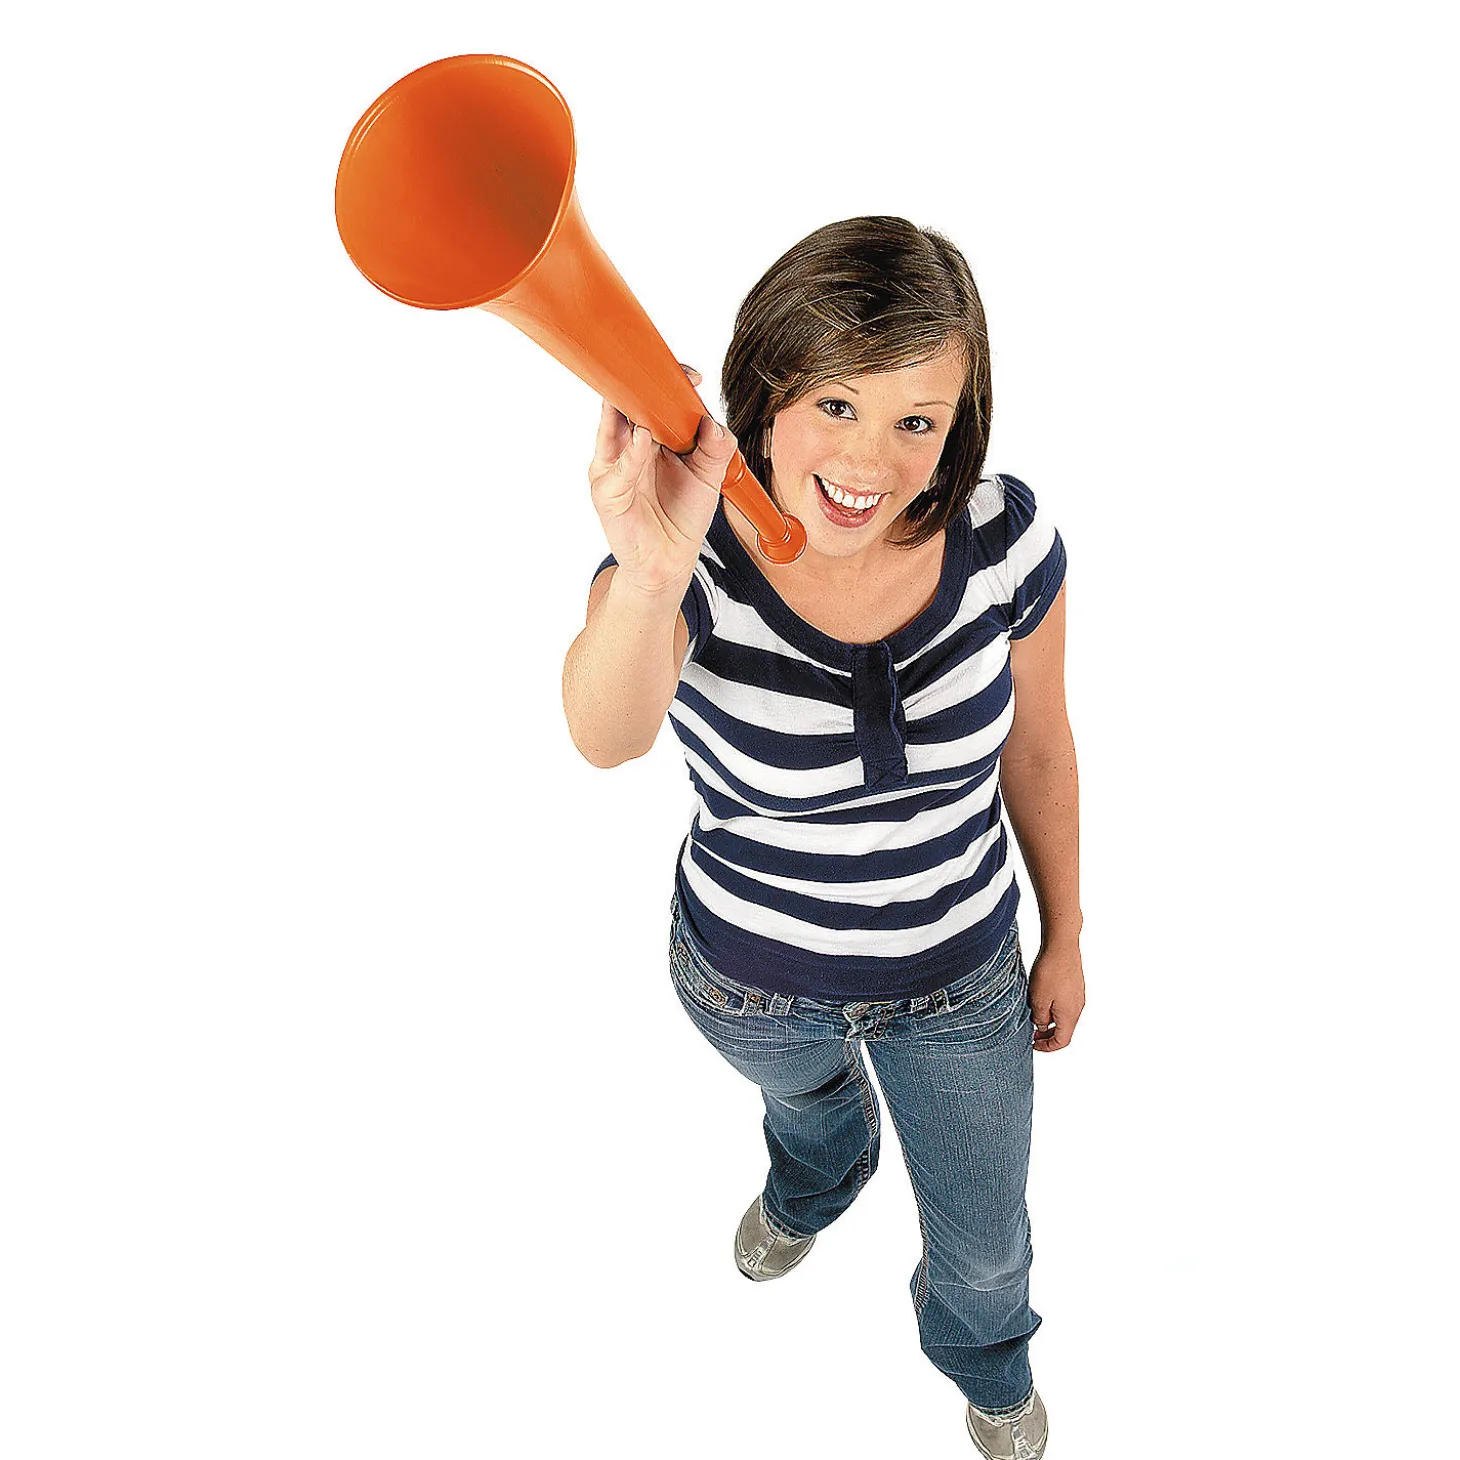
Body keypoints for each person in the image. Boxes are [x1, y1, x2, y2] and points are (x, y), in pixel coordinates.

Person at [561, 216, 1084, 1460]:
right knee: (807, 1110)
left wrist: (1064, 931)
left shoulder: (1003, 538)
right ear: (767, 386)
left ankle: (985, 1360)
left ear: (960, 422)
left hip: (958, 982)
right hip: (747, 981)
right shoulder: (684, 557)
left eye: (916, 420)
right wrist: (648, 574)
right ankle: (815, 1176)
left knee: (983, 1236)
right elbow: (603, 735)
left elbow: (1039, 745)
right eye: (835, 403)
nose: (868, 458)